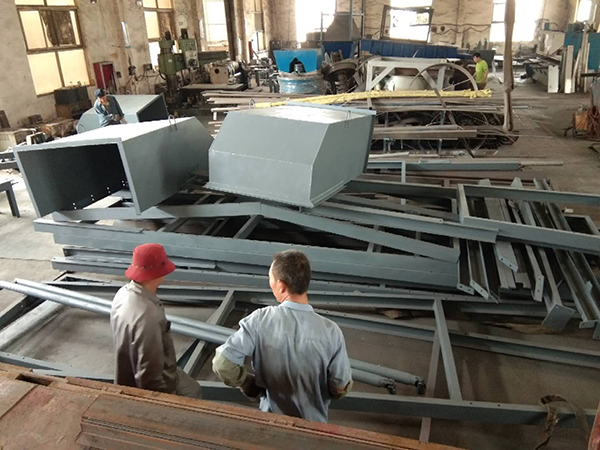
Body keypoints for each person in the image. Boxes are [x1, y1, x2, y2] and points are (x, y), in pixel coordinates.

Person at [212, 249, 353, 423]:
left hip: (271, 423)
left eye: (270, 278)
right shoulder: (331, 331)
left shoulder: (259, 320)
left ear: (281, 285)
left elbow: (222, 364)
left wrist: (248, 384)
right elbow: (340, 387)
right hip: (314, 427)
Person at [110, 243, 201, 398]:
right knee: (193, 392)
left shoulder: (122, 294)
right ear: (158, 274)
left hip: (126, 373)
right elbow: (149, 370)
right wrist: (162, 399)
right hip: (155, 383)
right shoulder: (148, 315)